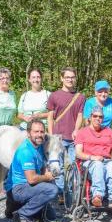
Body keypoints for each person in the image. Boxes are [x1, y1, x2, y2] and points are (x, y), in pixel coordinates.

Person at [5, 120, 59, 222]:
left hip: (28, 187)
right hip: (18, 188)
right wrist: (47, 177)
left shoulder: (38, 147)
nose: (39, 135)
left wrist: (47, 173)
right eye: (36, 132)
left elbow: (42, 166)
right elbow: (32, 179)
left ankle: (14, 208)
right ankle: (22, 215)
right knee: (52, 190)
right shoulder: (26, 151)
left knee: (51, 216)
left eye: (42, 132)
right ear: (28, 133)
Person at [75, 106, 112, 208]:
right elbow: (78, 153)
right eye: (95, 116)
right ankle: (97, 196)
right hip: (88, 161)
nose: (98, 119)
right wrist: (92, 157)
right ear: (90, 117)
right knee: (98, 165)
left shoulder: (109, 132)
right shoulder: (82, 132)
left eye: (100, 117)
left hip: (106, 160)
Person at [47, 67, 86, 201]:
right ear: (62, 78)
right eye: (67, 77)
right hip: (57, 136)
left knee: (73, 166)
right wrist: (51, 135)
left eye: (72, 77)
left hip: (74, 138)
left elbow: (80, 115)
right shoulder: (54, 96)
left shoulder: (80, 97)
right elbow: (50, 117)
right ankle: (60, 193)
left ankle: (69, 192)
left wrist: (76, 129)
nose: (70, 79)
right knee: (58, 167)